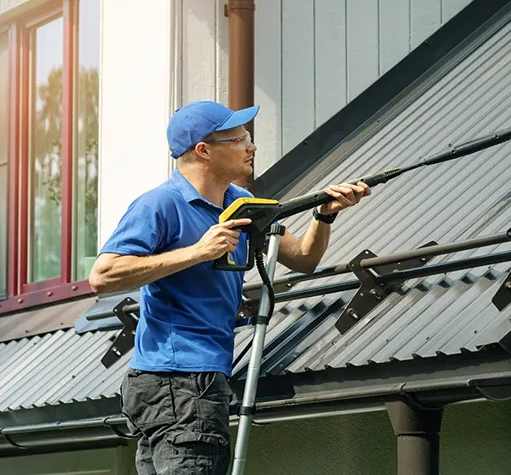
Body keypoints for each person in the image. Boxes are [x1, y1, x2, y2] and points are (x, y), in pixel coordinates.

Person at [89, 101, 371, 475]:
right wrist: (197, 252)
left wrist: (325, 214)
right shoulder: (160, 205)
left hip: (192, 381)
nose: (251, 147)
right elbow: (103, 275)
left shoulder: (242, 204)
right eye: (239, 139)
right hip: (179, 380)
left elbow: (304, 258)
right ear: (204, 150)